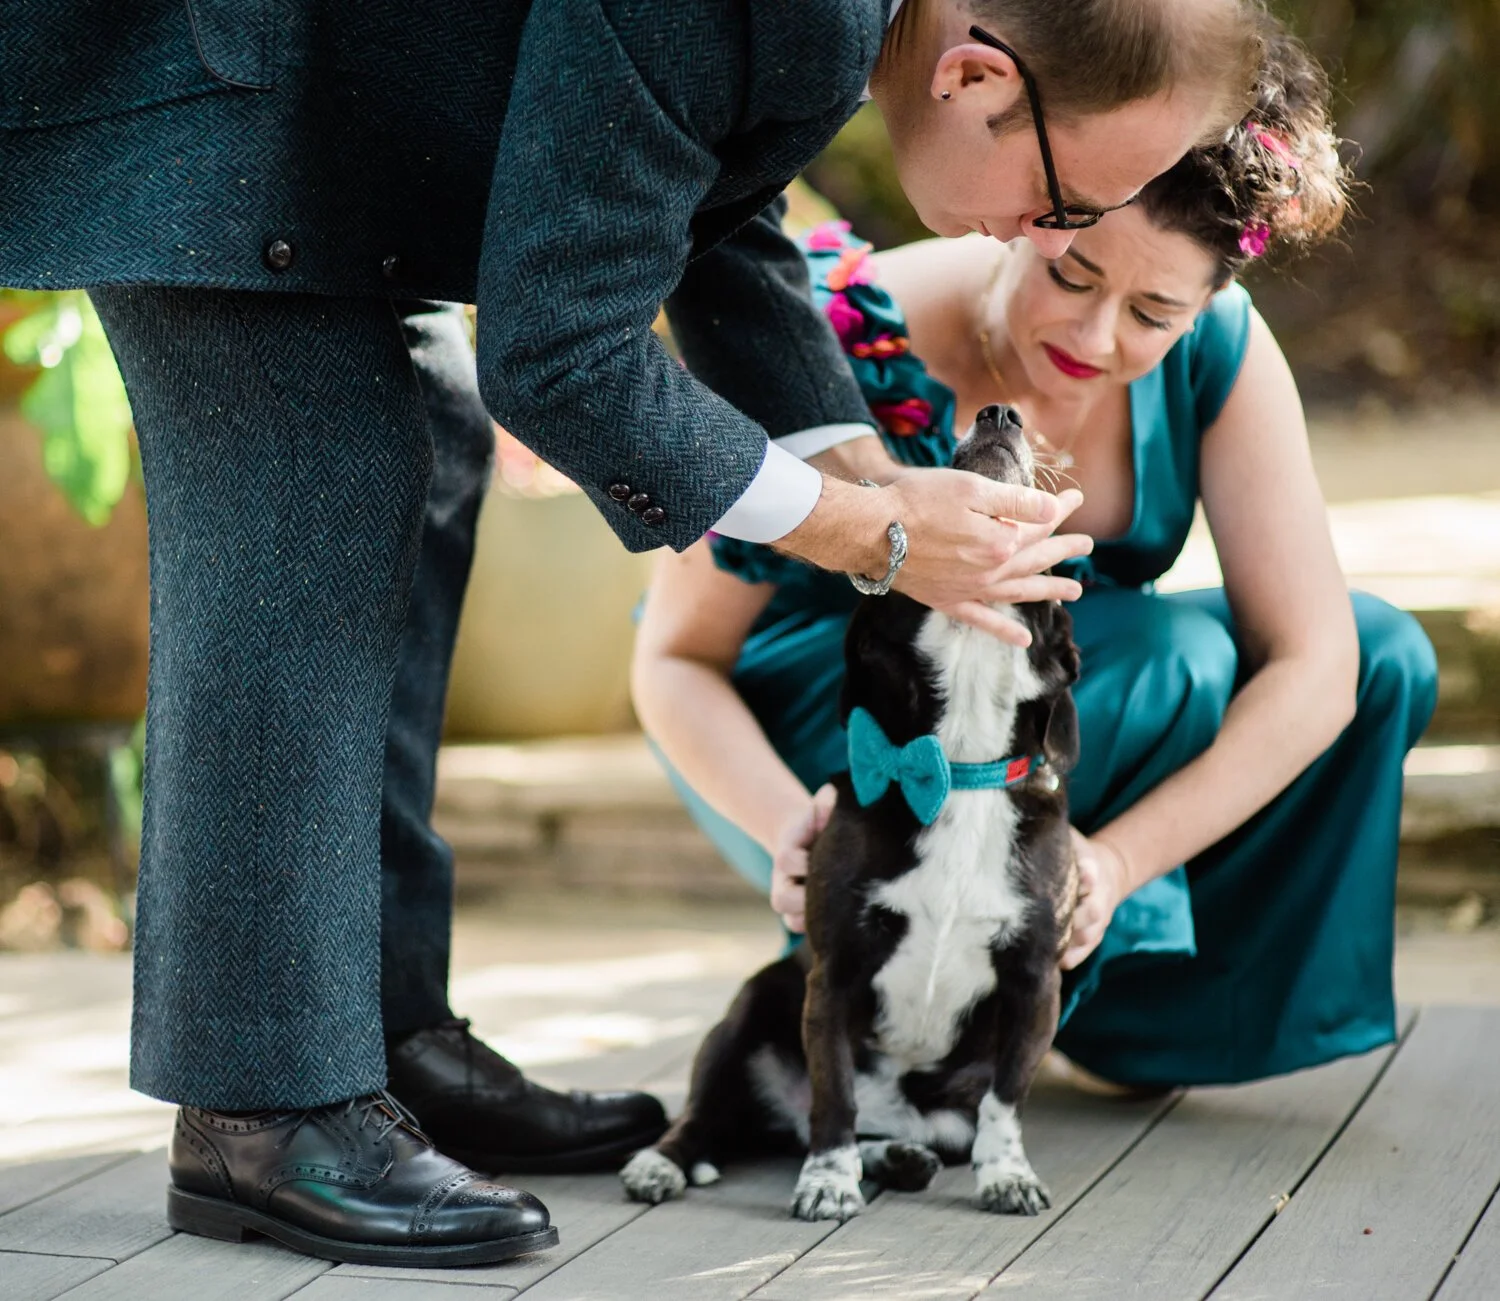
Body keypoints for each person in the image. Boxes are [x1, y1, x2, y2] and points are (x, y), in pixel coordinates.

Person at [0, 0, 1264, 1265]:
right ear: (979, 76)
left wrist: (874, 476)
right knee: (314, 474)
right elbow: (563, 356)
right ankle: (263, 1105)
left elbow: (718, 218)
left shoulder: (861, 27)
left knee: (430, 448)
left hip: (349, 85)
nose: (1034, 237)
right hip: (219, 67)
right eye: (1061, 203)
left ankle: (377, 1037)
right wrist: (861, 535)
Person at [633, 31, 1439, 1093]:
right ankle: (904, 983)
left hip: (1049, 731)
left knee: (1379, 653)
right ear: (1029, 214)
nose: (1098, 338)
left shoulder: (1221, 350)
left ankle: (1118, 996)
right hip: (841, 743)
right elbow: (673, 663)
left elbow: (1321, 664)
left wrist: (1114, 863)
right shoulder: (837, 333)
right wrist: (789, 823)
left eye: (1155, 313)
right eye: (1074, 273)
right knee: (1162, 658)